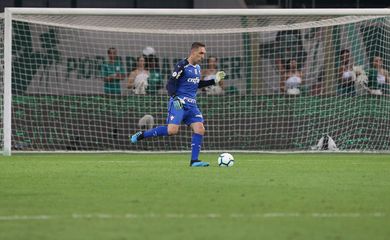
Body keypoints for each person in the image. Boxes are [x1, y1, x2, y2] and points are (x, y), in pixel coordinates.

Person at [130, 42, 226, 167]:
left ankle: (194, 161)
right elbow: (170, 84)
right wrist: (175, 98)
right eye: (201, 53)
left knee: (200, 129)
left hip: (192, 105)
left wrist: (214, 81)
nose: (203, 56)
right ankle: (142, 135)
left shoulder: (197, 68)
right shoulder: (182, 65)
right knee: (172, 130)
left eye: (204, 54)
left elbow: (196, 84)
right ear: (193, 52)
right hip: (179, 103)